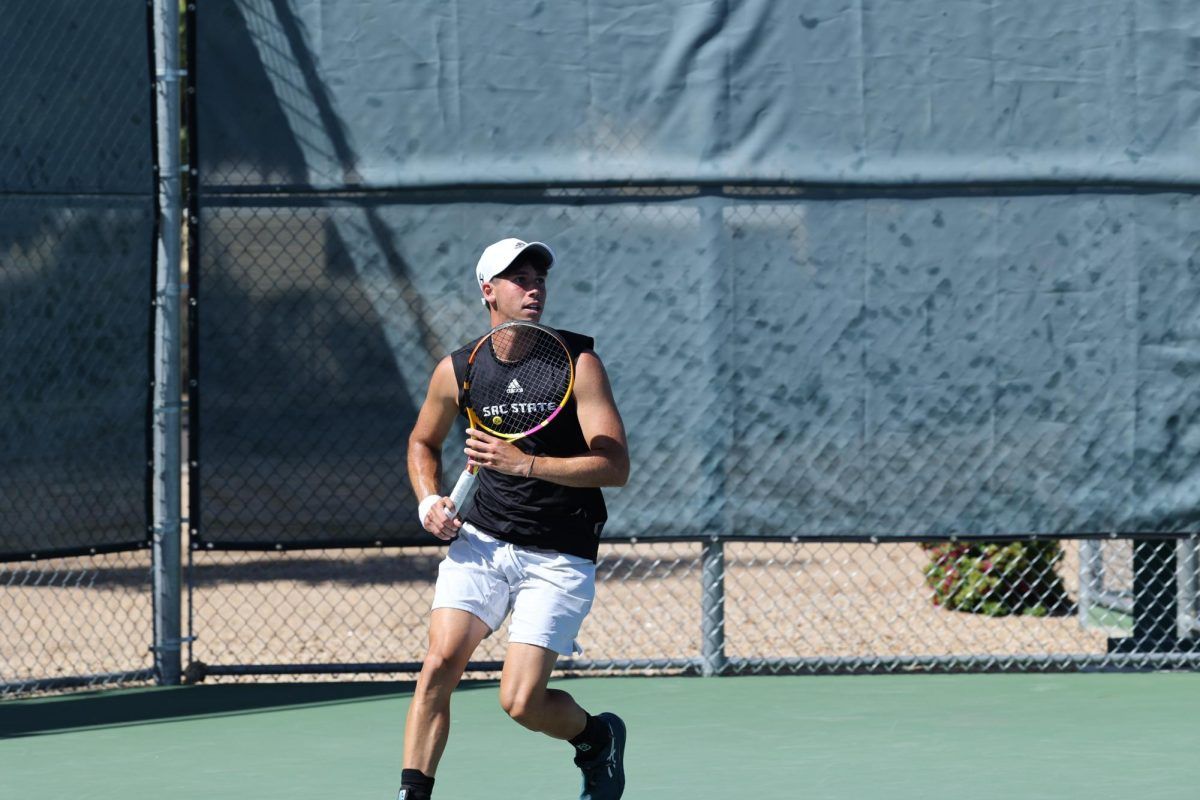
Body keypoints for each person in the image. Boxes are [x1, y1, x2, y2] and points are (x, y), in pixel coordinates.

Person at [400, 238, 631, 800]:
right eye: (518, 278)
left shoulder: (579, 363)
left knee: (521, 701)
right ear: (488, 291)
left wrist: (526, 462)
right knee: (437, 667)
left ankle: (597, 738)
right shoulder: (460, 368)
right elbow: (422, 442)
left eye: (539, 279)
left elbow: (615, 465)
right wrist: (428, 499)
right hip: (482, 542)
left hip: (558, 552)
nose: (533, 288)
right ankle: (413, 794)